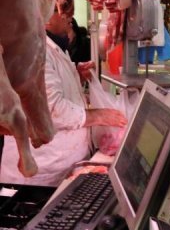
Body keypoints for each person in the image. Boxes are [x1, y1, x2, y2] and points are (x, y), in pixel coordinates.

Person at [1, 9, 127, 186]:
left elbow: (46, 86)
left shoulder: (55, 45)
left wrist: (75, 75)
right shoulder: (33, 50)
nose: (69, 15)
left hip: (60, 164)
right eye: (58, 10)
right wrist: (98, 115)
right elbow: (51, 110)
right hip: (41, 174)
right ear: (44, 19)